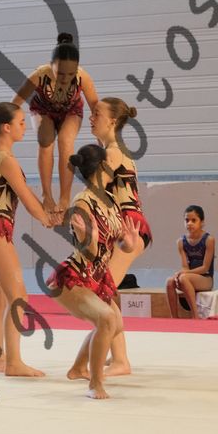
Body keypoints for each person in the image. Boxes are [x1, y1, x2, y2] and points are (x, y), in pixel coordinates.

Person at [0, 102, 58, 377]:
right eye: (21, 123)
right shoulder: (6, 159)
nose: (24, 127)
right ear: (6, 127)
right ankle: (14, 362)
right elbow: (26, 198)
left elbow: (24, 194)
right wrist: (47, 219)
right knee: (18, 297)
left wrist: (46, 212)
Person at [49, 144, 139, 399]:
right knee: (107, 319)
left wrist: (129, 243)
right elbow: (88, 249)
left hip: (95, 278)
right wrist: (90, 237)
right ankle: (95, 384)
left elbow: (119, 241)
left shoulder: (110, 200)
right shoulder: (83, 201)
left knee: (115, 324)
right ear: (102, 168)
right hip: (73, 278)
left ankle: (78, 368)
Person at [74, 97, 152, 377]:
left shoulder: (114, 153)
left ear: (113, 121)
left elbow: (95, 188)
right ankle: (117, 356)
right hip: (124, 226)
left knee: (101, 292)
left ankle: (118, 360)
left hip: (128, 227)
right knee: (104, 291)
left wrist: (68, 206)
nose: (91, 118)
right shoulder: (113, 150)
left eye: (97, 114)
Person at [14, 33, 99, 216]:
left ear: (77, 68)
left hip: (71, 111)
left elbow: (96, 109)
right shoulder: (39, 75)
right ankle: (46, 194)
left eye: (70, 74)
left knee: (66, 141)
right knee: (46, 141)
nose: (65, 78)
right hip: (43, 110)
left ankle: (64, 197)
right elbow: (15, 103)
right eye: (60, 73)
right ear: (50, 64)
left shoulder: (83, 77)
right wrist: (7, 128)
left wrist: (104, 142)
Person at [165, 205, 215, 319]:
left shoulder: (209, 240)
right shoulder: (181, 242)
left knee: (183, 278)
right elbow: (185, 267)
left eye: (193, 220)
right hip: (189, 277)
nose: (189, 223)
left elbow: (205, 268)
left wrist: (184, 273)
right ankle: (174, 318)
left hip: (206, 279)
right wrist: (180, 273)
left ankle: (195, 315)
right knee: (169, 281)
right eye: (187, 220)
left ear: (202, 222)